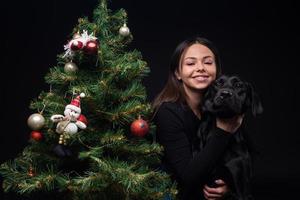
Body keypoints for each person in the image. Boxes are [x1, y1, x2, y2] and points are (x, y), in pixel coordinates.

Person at [152, 37, 250, 200]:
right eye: (191, 63)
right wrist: (223, 131)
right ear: (178, 73)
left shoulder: (219, 108)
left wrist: (229, 184)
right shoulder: (167, 112)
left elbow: (233, 159)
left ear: (217, 70)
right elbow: (188, 176)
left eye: (208, 62)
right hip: (169, 193)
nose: (200, 68)